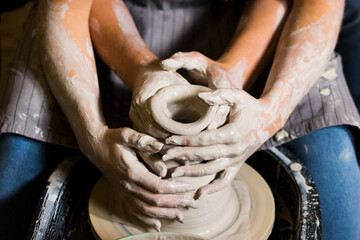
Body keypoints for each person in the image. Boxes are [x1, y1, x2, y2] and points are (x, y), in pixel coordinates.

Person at [0, 0, 359, 239]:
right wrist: (92, 132)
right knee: (13, 197)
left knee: (341, 209)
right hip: (99, 20)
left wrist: (263, 105)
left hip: (257, 22)